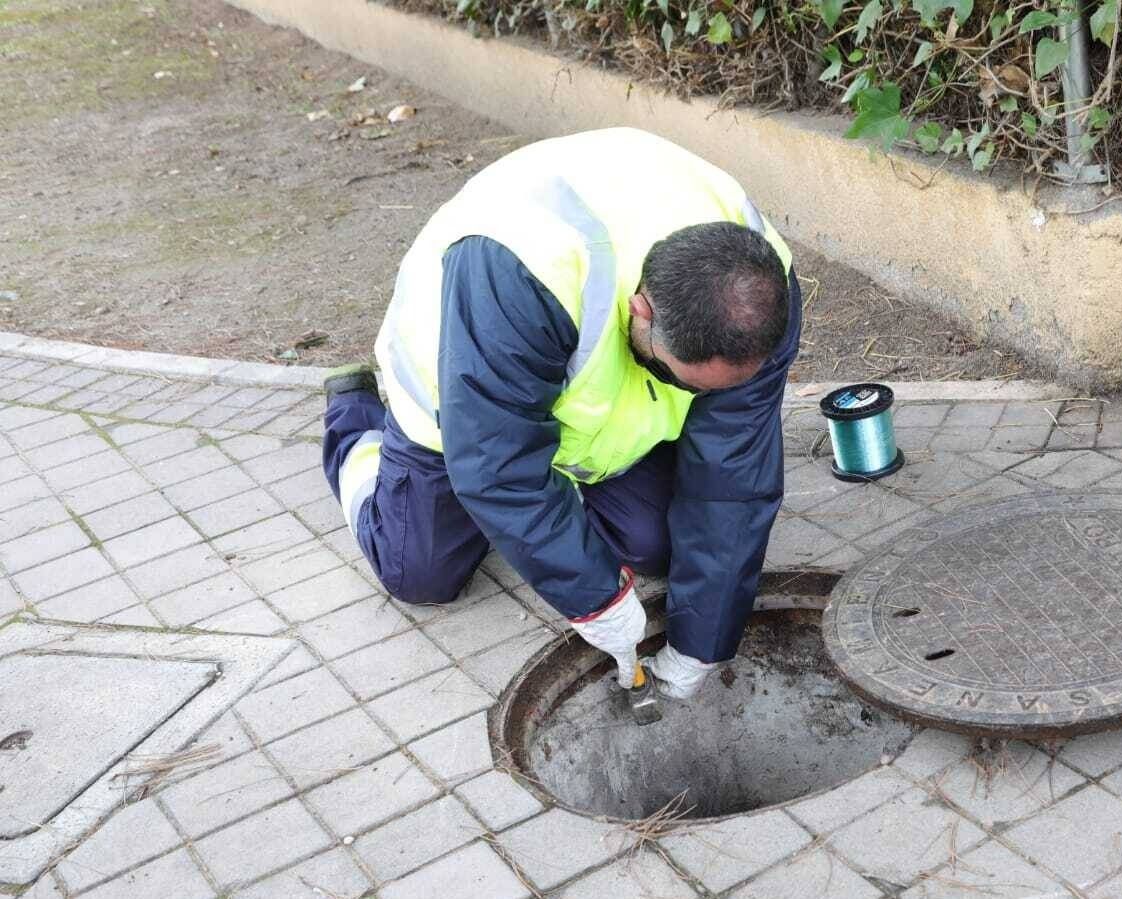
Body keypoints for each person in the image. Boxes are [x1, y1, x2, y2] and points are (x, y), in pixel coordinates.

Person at [320, 128, 800, 701]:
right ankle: (356, 427)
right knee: (419, 572)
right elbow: (497, 463)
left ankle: (560, 497)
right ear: (641, 310)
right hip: (460, 409)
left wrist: (702, 644)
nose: (692, 395)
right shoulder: (525, 267)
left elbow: (733, 478)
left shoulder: (758, 294)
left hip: (590, 421)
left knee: (657, 545)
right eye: (674, 377)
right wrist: (595, 597)